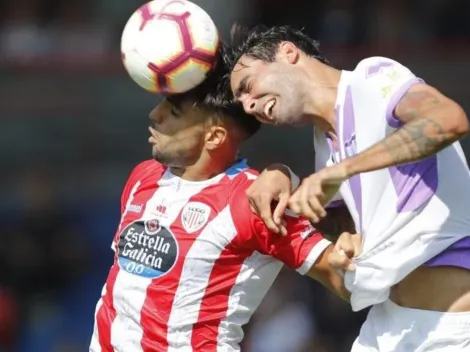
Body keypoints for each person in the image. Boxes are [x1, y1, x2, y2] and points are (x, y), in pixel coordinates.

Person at [227, 25, 470, 351]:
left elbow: (449, 119)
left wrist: (343, 170)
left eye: (248, 86)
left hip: (449, 329)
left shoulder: (370, 77)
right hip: (387, 324)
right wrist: (284, 176)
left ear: (288, 53)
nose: (248, 106)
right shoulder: (324, 146)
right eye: (241, 101)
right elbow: (341, 228)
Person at [89, 59, 360, 351]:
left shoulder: (256, 201)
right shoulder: (143, 176)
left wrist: (357, 253)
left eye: (174, 112)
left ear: (215, 136)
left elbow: (346, 281)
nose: (155, 114)